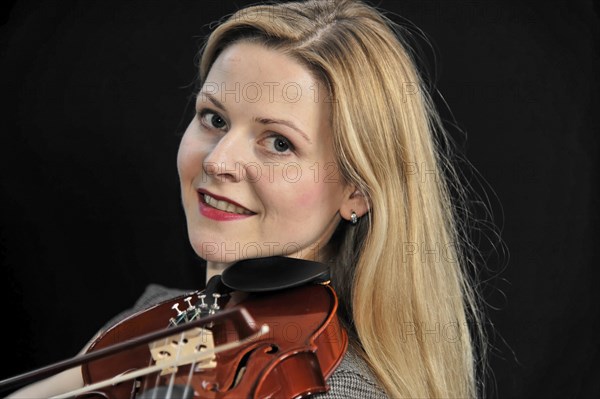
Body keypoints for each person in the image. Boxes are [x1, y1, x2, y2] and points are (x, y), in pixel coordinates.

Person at [6, 0, 487, 397]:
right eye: (214, 119)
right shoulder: (151, 322)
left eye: (279, 142)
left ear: (357, 191)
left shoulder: (337, 389)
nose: (218, 162)